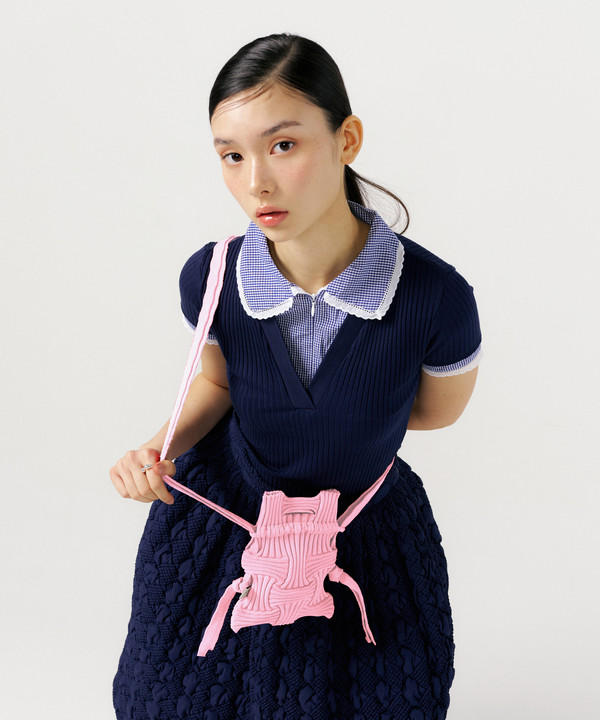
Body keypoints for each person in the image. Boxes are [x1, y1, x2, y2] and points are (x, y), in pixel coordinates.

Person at [110, 33, 481, 720]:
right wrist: (155, 450)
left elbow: (434, 411)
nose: (256, 181)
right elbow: (218, 384)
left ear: (347, 139)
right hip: (221, 525)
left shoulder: (436, 297)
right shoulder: (212, 276)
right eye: (232, 155)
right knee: (174, 698)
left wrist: (344, 416)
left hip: (364, 534)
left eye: (283, 145)